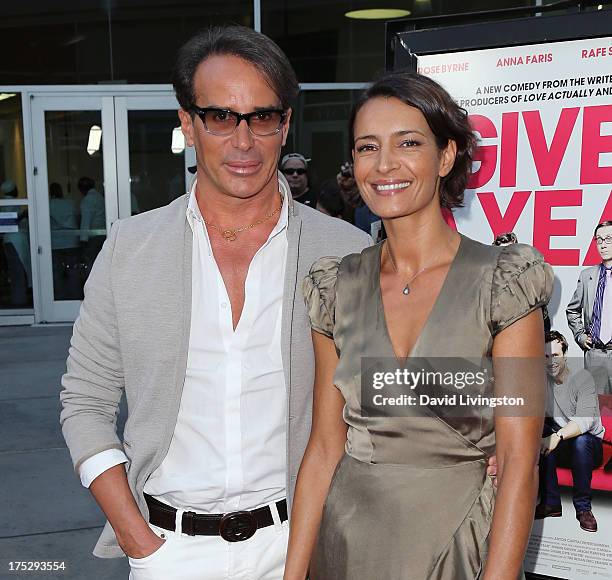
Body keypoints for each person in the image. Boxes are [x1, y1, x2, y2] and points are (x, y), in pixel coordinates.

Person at [59, 26, 370, 580]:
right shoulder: (132, 248)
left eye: (263, 116)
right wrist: (139, 541)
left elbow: (375, 400)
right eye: (222, 117)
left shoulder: (346, 251)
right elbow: (85, 403)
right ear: (189, 123)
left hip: (301, 547)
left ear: (285, 124)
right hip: (168, 552)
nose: (243, 141)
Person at [284, 72, 553, 579]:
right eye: (367, 147)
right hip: (345, 546)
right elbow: (323, 450)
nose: (385, 165)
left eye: (408, 143)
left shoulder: (504, 283)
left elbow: (519, 461)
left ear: (446, 156)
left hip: (458, 547)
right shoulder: (335, 289)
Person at [537, 330, 605, 532]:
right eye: (545, 356)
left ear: (565, 355)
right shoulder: (541, 380)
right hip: (563, 445)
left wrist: (557, 436)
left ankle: (583, 508)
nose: (550, 362)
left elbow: (585, 421)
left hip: (589, 447)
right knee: (540, 431)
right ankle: (551, 503)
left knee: (581, 440)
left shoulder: (582, 378)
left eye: (555, 355)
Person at [567, 221, 612, 395]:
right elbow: (572, 310)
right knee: (595, 410)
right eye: (599, 239)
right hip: (595, 356)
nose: (603, 244)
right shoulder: (587, 276)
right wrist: (580, 335)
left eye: (608, 239)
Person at [49, 182, 81, 300]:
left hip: (55, 242)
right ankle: (75, 295)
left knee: (57, 271)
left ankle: (60, 297)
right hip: (71, 240)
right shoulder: (69, 203)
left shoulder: (48, 205)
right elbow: (77, 217)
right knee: (73, 270)